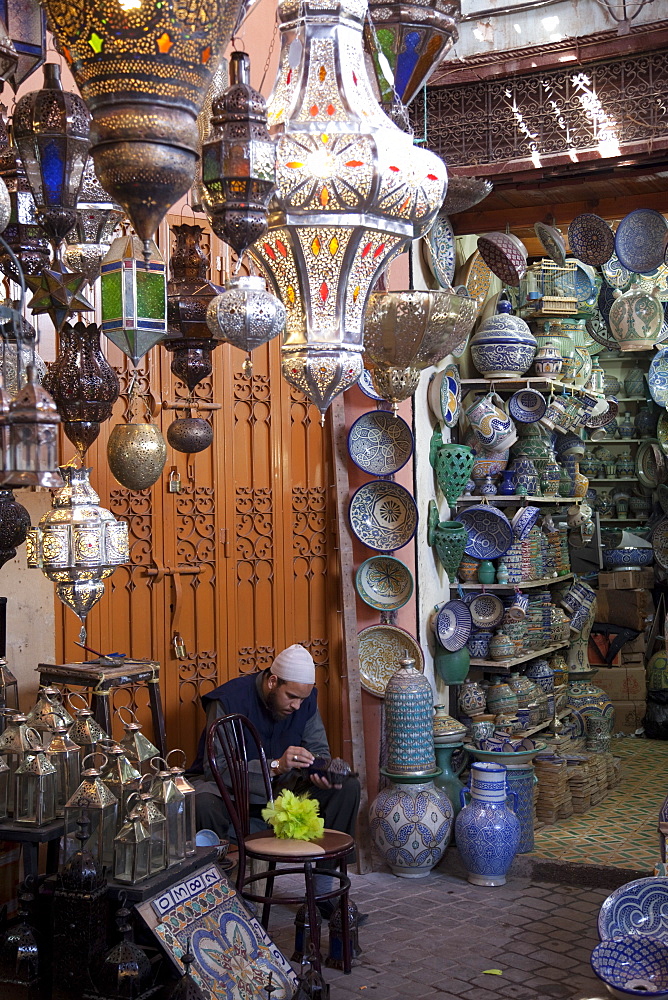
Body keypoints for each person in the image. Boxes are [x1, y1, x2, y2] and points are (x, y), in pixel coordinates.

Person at [189, 644, 361, 863]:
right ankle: (223, 884)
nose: (297, 706)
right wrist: (275, 766)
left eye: (302, 699)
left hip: (284, 790)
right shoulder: (227, 701)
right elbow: (218, 768)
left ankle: (324, 884)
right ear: (272, 682)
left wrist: (320, 771)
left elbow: (318, 751)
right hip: (233, 792)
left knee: (347, 787)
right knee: (203, 802)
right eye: (291, 697)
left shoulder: (304, 702)